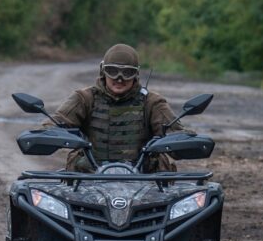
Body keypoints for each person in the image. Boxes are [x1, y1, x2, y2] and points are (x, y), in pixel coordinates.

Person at [50, 43, 185, 173]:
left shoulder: (151, 102)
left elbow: (176, 136)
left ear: (136, 74)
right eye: (113, 71)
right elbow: (53, 126)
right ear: (103, 71)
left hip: (144, 182)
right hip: (89, 181)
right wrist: (46, 136)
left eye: (127, 73)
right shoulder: (85, 98)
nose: (119, 79)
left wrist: (186, 142)